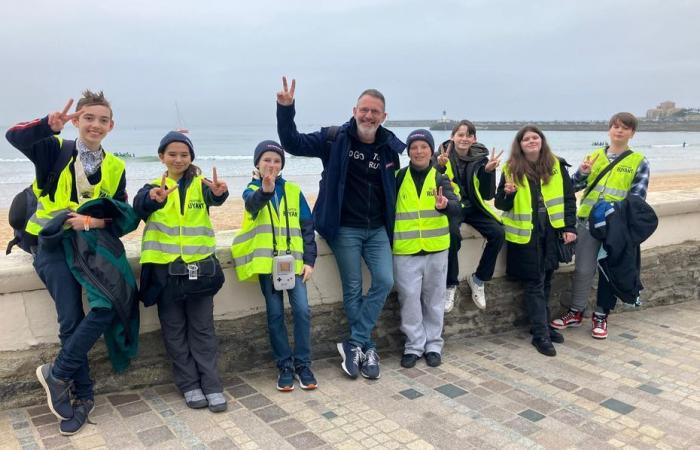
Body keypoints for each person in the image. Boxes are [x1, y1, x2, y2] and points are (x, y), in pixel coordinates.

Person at [6, 91, 131, 435]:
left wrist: (91, 222)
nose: (95, 124)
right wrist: (46, 126)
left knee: (108, 306)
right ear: (77, 120)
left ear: (111, 125)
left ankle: (57, 373)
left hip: (89, 246)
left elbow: (118, 216)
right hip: (52, 246)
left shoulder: (116, 166)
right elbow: (13, 135)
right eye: (88, 117)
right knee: (71, 319)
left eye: (102, 119)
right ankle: (83, 397)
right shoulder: (54, 148)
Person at [276, 77, 405, 380]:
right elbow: (292, 143)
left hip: (376, 230)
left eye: (375, 112)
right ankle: (368, 347)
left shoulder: (388, 148)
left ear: (384, 117)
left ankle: (355, 343)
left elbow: (403, 179)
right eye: (364, 110)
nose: (368, 116)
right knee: (353, 288)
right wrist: (286, 109)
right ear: (354, 110)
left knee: (385, 281)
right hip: (343, 227)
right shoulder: (334, 138)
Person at [133, 131, 229, 412]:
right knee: (174, 331)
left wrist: (221, 193)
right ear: (161, 156)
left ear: (191, 158)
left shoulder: (202, 185)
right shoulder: (151, 187)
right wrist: (154, 198)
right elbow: (139, 207)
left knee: (203, 330)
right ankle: (189, 385)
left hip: (199, 271)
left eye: (184, 154)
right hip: (165, 275)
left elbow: (217, 196)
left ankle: (211, 385)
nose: (178, 159)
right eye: (172, 154)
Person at [550, 112, 649, 339]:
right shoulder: (595, 156)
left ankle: (602, 315)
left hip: (616, 227)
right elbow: (573, 186)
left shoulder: (639, 161)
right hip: (587, 222)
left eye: (625, 128)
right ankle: (576, 311)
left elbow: (637, 199)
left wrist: (616, 214)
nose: (619, 131)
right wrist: (583, 172)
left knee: (609, 271)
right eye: (615, 126)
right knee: (583, 269)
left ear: (632, 133)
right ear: (609, 130)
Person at [231, 140, 318, 391]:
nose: (271, 164)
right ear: (257, 163)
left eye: (276, 160)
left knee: (302, 312)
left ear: (282, 165)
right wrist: (265, 190)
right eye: (266, 160)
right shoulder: (251, 188)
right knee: (275, 315)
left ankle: (303, 364)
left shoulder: (293, 190)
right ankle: (284, 365)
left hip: (295, 264)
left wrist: (310, 261)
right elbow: (252, 204)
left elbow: (307, 228)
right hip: (268, 266)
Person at [495, 126, 577, 356]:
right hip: (526, 234)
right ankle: (540, 334)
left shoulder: (556, 165)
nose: (531, 141)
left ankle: (542, 326)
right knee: (534, 283)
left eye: (535, 137)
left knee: (548, 279)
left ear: (541, 140)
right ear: (519, 144)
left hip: (551, 232)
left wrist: (570, 227)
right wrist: (507, 193)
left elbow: (568, 197)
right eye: (526, 139)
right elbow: (501, 204)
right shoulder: (511, 168)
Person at [394, 130, 460, 369]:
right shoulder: (399, 177)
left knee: (434, 300)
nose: (419, 151)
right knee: (409, 300)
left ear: (430, 150)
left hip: (436, 249)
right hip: (405, 250)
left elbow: (456, 207)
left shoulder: (440, 178)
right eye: (414, 147)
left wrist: (445, 206)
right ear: (409, 151)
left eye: (423, 146)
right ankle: (413, 346)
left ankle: (433, 345)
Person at [435, 120, 505, 312]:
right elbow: (433, 184)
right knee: (452, 235)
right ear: (453, 137)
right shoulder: (442, 155)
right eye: (460, 134)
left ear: (474, 138)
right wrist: (439, 167)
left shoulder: (480, 158)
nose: (464, 139)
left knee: (498, 233)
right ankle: (451, 284)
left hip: (473, 207)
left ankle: (479, 279)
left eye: (469, 135)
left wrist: (489, 172)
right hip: (453, 206)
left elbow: (487, 194)